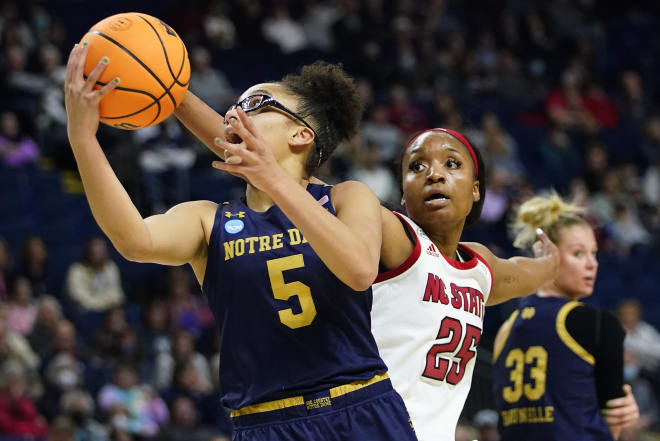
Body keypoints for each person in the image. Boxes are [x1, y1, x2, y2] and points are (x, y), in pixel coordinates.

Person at [64, 43, 416, 441]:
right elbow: (134, 240)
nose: (234, 113)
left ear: (302, 134)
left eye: (257, 104)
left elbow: (358, 269)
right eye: (235, 106)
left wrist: (271, 175)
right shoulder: (209, 218)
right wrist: (83, 138)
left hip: (360, 409)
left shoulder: (346, 197)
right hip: (264, 423)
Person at [492, 193, 639, 440]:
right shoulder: (600, 324)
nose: (593, 264)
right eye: (579, 253)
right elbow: (614, 423)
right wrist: (626, 413)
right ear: (545, 253)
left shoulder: (504, 330)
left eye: (594, 253)